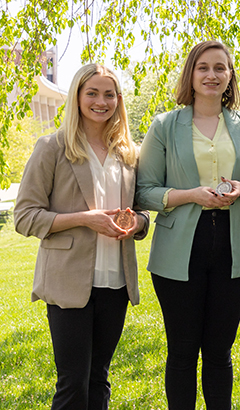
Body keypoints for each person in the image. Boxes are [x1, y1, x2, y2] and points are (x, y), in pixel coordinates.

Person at [135, 41, 240, 409]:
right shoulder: (165, 125)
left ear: (230, 75)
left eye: (220, 68)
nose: (212, 75)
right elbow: (144, 191)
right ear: (191, 74)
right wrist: (191, 195)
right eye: (203, 68)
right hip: (179, 252)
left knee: (218, 351)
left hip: (236, 252)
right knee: (181, 351)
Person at [14, 63, 149, 409]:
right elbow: (25, 217)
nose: (100, 101)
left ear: (118, 100)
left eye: (109, 94)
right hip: (68, 283)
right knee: (73, 384)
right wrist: (84, 220)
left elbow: (143, 211)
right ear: (76, 97)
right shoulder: (52, 148)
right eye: (92, 93)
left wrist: (138, 224)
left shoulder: (128, 154)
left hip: (116, 283)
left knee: (99, 378)